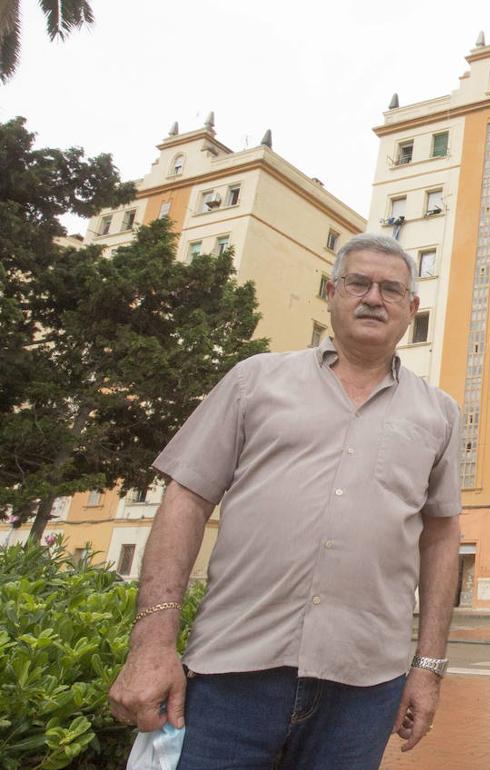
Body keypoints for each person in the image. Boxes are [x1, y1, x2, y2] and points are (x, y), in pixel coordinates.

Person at [108, 234, 463, 769]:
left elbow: (440, 538)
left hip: (364, 688)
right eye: (358, 283)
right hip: (234, 672)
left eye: (392, 289)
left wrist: (428, 667)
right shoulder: (255, 379)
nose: (374, 298)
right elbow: (186, 498)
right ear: (332, 292)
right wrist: (152, 645)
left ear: (412, 308)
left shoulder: (439, 413)